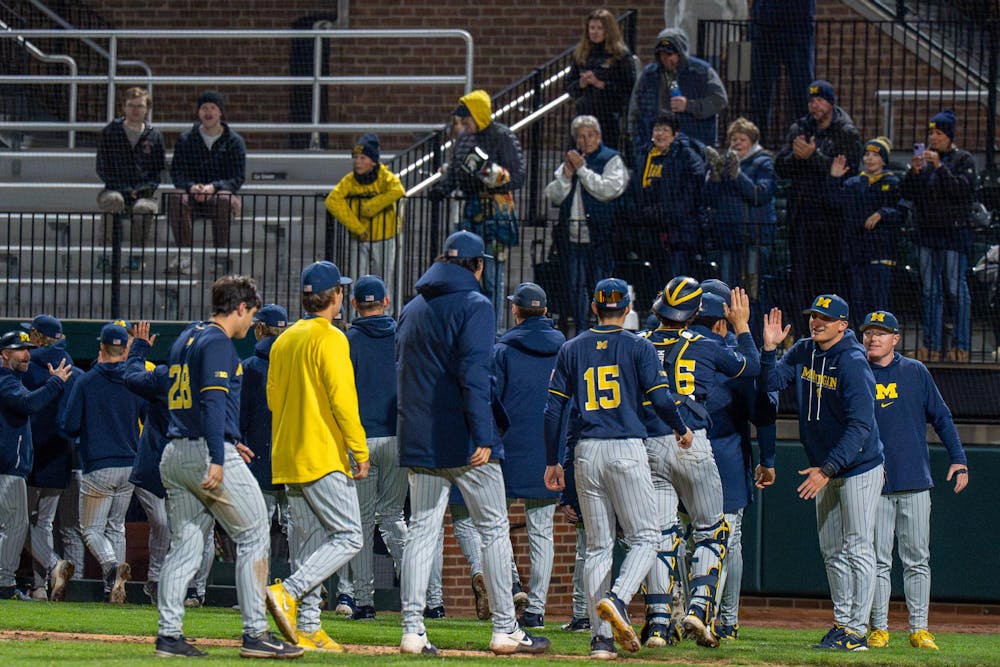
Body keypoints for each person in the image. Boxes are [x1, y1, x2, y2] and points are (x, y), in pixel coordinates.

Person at [395, 231, 550, 656]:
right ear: (478, 265)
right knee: (495, 529)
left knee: (421, 532)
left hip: (421, 436)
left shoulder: (412, 308)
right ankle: (505, 629)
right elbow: (475, 375)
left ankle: (412, 630)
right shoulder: (476, 305)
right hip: (466, 439)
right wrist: (484, 434)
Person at [543, 277, 693, 659]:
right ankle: (619, 599)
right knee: (646, 538)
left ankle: (601, 640)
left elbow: (553, 410)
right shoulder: (638, 345)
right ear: (627, 310)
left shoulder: (571, 347)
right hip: (625, 448)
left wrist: (551, 460)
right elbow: (660, 398)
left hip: (586, 451)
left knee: (597, 547)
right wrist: (680, 428)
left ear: (593, 307)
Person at [155, 275, 301, 659]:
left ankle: (168, 635)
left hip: (175, 451)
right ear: (240, 308)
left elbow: (183, 400)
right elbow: (212, 401)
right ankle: (255, 634)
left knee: (185, 546)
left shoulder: (187, 336)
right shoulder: (219, 342)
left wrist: (228, 437)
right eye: (250, 313)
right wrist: (219, 456)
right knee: (254, 533)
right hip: (206, 451)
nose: (250, 321)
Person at [640, 278, 760, 649]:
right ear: (693, 314)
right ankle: (700, 606)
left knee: (661, 537)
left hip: (647, 445)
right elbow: (752, 367)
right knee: (711, 531)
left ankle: (659, 625)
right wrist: (742, 328)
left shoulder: (638, 343)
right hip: (691, 440)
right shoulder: (704, 344)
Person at [761, 295, 884, 652]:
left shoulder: (852, 361)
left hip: (858, 467)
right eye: (814, 316)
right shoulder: (803, 349)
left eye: (825, 319)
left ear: (843, 325)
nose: (817, 322)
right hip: (824, 466)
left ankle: (858, 632)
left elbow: (861, 426)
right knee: (832, 550)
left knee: (859, 547)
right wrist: (769, 350)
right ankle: (843, 624)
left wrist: (827, 470)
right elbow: (771, 382)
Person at [265, 261, 369, 653]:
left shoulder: (283, 339)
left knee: (308, 547)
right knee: (349, 536)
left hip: (287, 454)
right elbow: (344, 401)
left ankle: (308, 627)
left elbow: (273, 400)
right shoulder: (331, 337)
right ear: (336, 296)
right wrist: (358, 450)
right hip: (321, 452)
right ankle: (287, 592)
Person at [860, 310, 969, 651]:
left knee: (917, 558)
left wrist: (959, 459)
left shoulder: (915, 371)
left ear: (896, 338)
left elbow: (942, 416)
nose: (873, 338)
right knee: (878, 559)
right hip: (872, 483)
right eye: (868, 332)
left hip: (914, 480)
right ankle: (879, 628)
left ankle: (919, 628)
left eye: (881, 333)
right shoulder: (856, 370)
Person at [696, 279, 777, 640]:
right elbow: (765, 412)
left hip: (689, 454)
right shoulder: (740, 357)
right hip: (726, 455)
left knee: (694, 540)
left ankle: (696, 612)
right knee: (728, 541)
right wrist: (769, 458)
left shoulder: (678, 347)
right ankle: (723, 618)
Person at [122, 321, 218, 608]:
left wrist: (138, 349)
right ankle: (194, 590)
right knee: (201, 530)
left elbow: (131, 376)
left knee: (167, 528)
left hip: (164, 461)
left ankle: (163, 583)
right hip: (202, 460)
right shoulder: (218, 377)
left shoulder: (166, 376)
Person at [493, 282, 567, 629]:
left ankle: (511, 584)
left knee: (493, 527)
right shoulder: (564, 348)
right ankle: (536, 609)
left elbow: (493, 400)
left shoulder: (503, 349)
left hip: (509, 447)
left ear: (516, 311)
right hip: (547, 448)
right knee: (542, 533)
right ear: (547, 312)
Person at [337, 275, 408, 622]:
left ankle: (363, 601)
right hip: (397, 437)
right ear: (387, 301)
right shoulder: (402, 337)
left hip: (359, 441)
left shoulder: (345, 340)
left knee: (362, 523)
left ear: (354, 304)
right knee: (393, 517)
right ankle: (417, 595)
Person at [62, 323, 145, 604]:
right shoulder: (134, 379)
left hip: (99, 465)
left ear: (100, 348)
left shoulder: (86, 381)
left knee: (92, 531)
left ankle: (111, 568)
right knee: (116, 527)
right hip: (129, 464)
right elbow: (147, 415)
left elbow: (70, 424)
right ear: (125, 349)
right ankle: (114, 590)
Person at [436, 91, 526, 325]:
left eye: (467, 121)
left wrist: (491, 174)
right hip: (471, 210)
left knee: (493, 272)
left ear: (479, 115)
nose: (465, 126)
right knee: (466, 267)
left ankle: (492, 325)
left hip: (497, 214)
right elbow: (456, 171)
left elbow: (518, 176)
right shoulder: (465, 139)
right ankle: (470, 320)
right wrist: (443, 188)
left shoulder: (503, 136)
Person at [775, 80, 862, 312]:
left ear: (831, 103)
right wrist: (796, 156)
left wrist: (814, 156)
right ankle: (801, 327)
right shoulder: (799, 128)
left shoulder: (845, 131)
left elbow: (849, 170)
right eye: (812, 101)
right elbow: (780, 167)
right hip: (802, 212)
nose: (815, 106)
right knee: (801, 274)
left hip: (832, 216)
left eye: (820, 100)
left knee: (828, 275)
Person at [900, 110, 977, 362]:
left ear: (949, 136)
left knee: (956, 291)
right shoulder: (924, 162)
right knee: (930, 292)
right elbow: (908, 194)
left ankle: (962, 347)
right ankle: (931, 346)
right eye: (931, 133)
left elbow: (961, 191)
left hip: (953, 236)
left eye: (939, 133)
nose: (933, 138)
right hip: (926, 235)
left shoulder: (963, 160)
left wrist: (940, 167)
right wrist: (915, 172)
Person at [0, 330, 72, 600]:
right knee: (16, 525)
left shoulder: (11, 380)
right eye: (19, 349)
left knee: (12, 525)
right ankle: (5, 583)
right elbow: (29, 403)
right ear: (4, 354)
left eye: (28, 348)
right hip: (6, 468)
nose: (26, 354)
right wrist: (54, 384)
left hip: (8, 466)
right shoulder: (6, 381)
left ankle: (8, 580)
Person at [544, 115, 629, 332]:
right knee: (574, 286)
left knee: (599, 285)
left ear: (599, 137)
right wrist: (566, 176)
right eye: (580, 137)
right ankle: (581, 328)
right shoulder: (572, 160)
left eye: (590, 136)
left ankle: (603, 326)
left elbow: (607, 190)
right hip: (572, 237)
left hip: (600, 236)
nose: (585, 140)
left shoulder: (611, 159)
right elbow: (554, 195)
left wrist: (582, 170)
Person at [21, 315, 79, 601]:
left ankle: (45, 578)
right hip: (62, 452)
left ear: (38, 335)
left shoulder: (29, 365)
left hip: (33, 452)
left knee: (21, 522)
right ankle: (44, 581)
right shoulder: (74, 368)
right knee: (44, 522)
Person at [168, 90, 247, 276]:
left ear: (220, 112)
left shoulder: (234, 141)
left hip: (220, 197)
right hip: (193, 196)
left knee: (223, 199)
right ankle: (184, 258)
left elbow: (237, 177)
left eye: (213, 108)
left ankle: (220, 258)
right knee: (176, 198)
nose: (208, 112)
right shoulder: (186, 139)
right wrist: (191, 187)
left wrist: (215, 187)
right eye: (204, 108)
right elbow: (176, 172)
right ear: (198, 112)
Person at [826, 137, 903, 325]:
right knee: (858, 301)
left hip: (880, 252)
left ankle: (881, 343)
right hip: (856, 252)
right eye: (866, 154)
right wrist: (834, 179)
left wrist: (881, 213)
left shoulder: (892, 183)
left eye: (875, 155)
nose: (869, 158)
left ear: (884, 160)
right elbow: (833, 203)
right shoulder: (853, 183)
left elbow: (901, 212)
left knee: (878, 303)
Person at [704, 118, 777, 307]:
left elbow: (759, 194)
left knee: (751, 290)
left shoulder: (763, 162)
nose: (736, 143)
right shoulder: (725, 163)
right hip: (727, 235)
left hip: (754, 237)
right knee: (726, 289)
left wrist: (738, 175)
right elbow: (709, 198)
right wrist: (715, 176)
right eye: (733, 139)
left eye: (742, 139)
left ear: (752, 142)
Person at [324, 135, 406, 301]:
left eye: (362, 158)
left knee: (384, 282)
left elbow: (398, 191)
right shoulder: (350, 180)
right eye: (355, 158)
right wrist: (357, 228)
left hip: (385, 238)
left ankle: (386, 317)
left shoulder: (385, 177)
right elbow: (332, 200)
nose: (357, 162)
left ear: (373, 161)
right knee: (356, 281)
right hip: (359, 238)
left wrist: (371, 206)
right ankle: (355, 318)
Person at [95, 86, 165, 272]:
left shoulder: (154, 135)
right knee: (113, 201)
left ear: (147, 109)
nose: (135, 110)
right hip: (115, 188)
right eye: (131, 105)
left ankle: (136, 257)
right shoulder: (111, 132)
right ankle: (105, 256)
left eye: (140, 106)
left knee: (143, 208)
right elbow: (102, 167)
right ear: (124, 107)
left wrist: (141, 190)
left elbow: (157, 171)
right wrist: (124, 189)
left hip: (144, 192)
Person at [629, 27, 728, 155]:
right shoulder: (649, 74)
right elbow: (635, 107)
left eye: (670, 54)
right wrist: (634, 136)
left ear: (680, 52)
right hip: (653, 143)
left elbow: (720, 100)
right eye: (661, 54)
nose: (665, 59)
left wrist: (690, 105)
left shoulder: (701, 71)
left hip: (693, 143)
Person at [635, 112, 706, 284]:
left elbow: (690, 195)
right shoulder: (644, 155)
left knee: (676, 282)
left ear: (675, 134)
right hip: (650, 229)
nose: (660, 134)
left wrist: (664, 212)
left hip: (678, 232)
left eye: (665, 130)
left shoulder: (685, 156)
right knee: (656, 281)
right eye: (657, 129)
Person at [239, 304, 289, 539]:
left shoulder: (249, 367)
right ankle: (301, 577)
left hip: (257, 458)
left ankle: (258, 578)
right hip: (293, 459)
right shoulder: (295, 363)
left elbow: (240, 417)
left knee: (257, 531)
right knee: (299, 531)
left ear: (260, 329)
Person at [565, 8, 636, 152]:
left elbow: (629, 88)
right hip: (584, 114)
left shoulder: (620, 55)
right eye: (592, 28)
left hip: (608, 117)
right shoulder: (581, 53)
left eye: (599, 28)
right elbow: (569, 85)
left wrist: (600, 84)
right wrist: (581, 84)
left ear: (608, 30)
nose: (595, 32)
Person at [749, 0, 816, 143]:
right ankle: (756, 143)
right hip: (764, 24)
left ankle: (804, 142)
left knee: (801, 91)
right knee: (760, 92)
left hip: (797, 25)